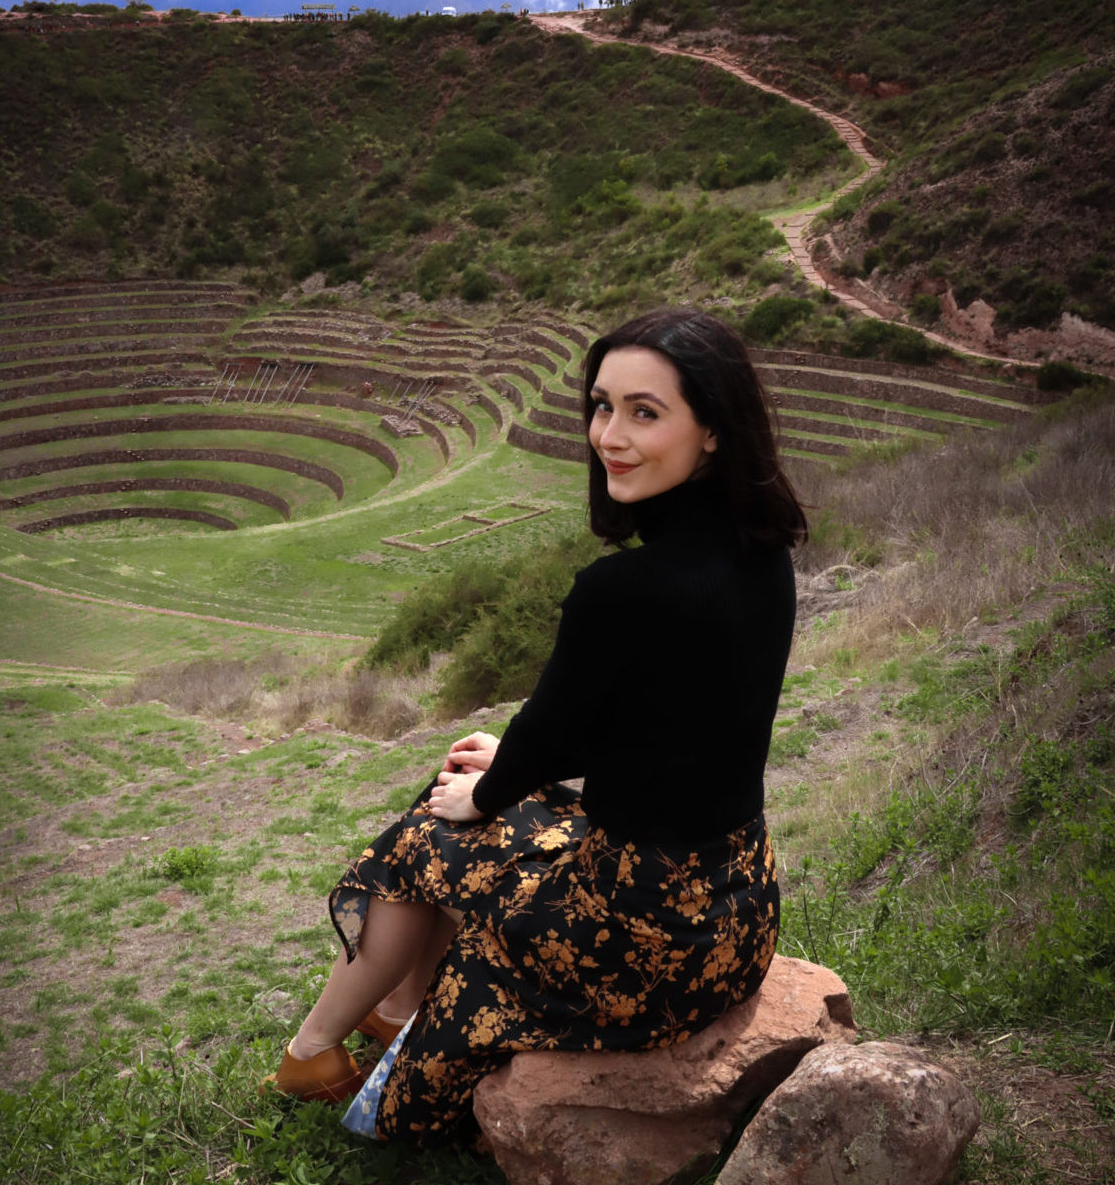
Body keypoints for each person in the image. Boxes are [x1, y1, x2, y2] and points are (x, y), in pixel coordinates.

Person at [267, 308, 807, 1144]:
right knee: (474, 793)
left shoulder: (621, 591)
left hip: (635, 933)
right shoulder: (764, 557)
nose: (609, 435)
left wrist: (493, 786)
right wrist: (508, 771)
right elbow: (674, 728)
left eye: (644, 412)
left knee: (425, 830)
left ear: (712, 432)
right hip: (734, 916)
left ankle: (314, 1049)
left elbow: (553, 732)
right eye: (602, 406)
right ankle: (391, 1009)